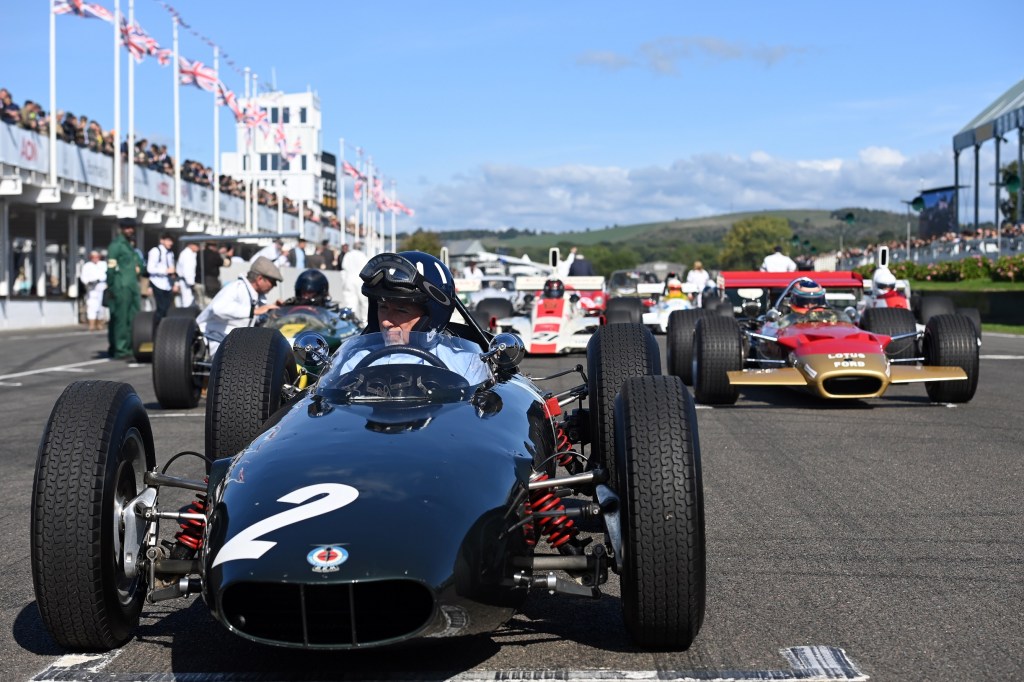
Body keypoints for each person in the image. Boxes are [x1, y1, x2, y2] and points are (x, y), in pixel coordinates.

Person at [338, 251, 490, 384]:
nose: (386, 321)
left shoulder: (465, 366)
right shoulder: (354, 362)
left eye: (401, 310)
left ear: (431, 317)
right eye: (383, 307)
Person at [196, 256, 282, 357]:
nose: (274, 286)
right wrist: (253, 311)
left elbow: (254, 319)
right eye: (272, 282)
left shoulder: (255, 295)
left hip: (230, 345)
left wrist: (271, 311)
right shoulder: (236, 288)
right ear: (259, 279)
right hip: (210, 342)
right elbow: (218, 308)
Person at [106, 217, 142, 358]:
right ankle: (119, 349)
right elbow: (111, 268)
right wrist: (111, 286)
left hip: (132, 286)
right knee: (120, 318)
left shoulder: (130, 245)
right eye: (127, 227)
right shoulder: (116, 245)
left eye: (132, 227)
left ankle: (128, 346)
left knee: (133, 318)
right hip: (121, 286)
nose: (130, 230)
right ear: (121, 229)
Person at [146, 232, 178, 328]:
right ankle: (156, 329)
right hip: (157, 282)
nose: (170, 243)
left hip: (167, 284)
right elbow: (150, 268)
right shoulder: (155, 251)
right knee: (161, 308)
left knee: (168, 308)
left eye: (171, 241)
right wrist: (165, 271)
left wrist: (175, 282)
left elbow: (172, 269)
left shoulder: (170, 253)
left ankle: (165, 328)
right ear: (162, 240)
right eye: (168, 240)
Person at [339, 242, 369, 324]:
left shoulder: (348, 255)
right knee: (364, 301)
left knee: (350, 301)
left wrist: (344, 281)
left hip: (349, 279)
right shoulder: (362, 255)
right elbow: (367, 268)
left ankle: (350, 320)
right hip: (360, 280)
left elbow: (344, 268)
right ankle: (364, 321)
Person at [80, 250, 107, 331]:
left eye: (97, 257)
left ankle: (99, 323)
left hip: (101, 287)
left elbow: (106, 275)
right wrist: (87, 282)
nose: (95, 259)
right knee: (92, 306)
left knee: (101, 306)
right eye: (93, 257)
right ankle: (91, 324)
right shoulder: (87, 266)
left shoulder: (103, 264)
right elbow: (83, 277)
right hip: (92, 288)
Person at [176, 241, 199, 308]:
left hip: (187, 282)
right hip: (187, 282)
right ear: (190, 245)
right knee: (188, 303)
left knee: (190, 302)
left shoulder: (191, 253)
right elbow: (187, 270)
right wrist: (191, 283)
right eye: (196, 245)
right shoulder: (186, 254)